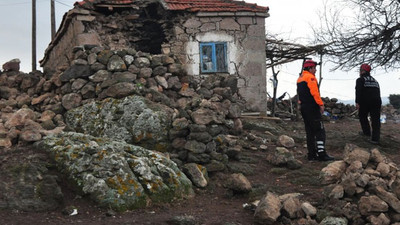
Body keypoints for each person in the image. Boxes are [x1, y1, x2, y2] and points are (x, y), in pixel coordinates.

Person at [297, 60, 334, 161]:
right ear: (310, 68)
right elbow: (315, 93)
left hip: (304, 107)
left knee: (309, 131)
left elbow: (299, 94)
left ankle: (311, 155)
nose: (316, 70)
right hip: (312, 107)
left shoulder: (300, 78)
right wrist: (321, 104)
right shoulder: (310, 78)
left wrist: (300, 103)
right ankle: (322, 154)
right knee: (319, 130)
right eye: (314, 68)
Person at [355, 63, 382, 144]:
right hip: (377, 102)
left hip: (365, 102)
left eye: (360, 70)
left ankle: (366, 132)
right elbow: (378, 92)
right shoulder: (375, 80)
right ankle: (375, 139)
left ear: (362, 71)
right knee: (376, 120)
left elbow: (358, 91)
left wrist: (357, 102)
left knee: (362, 116)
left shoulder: (360, 80)